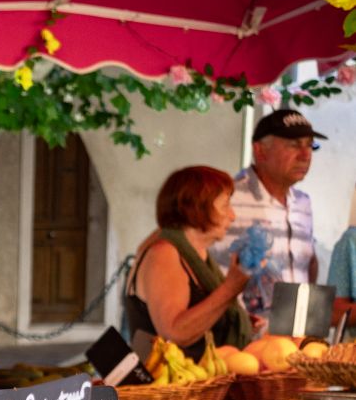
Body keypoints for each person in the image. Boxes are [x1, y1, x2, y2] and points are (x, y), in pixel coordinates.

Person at [125, 166, 252, 355]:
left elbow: (201, 312)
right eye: (225, 205)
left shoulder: (197, 253)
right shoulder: (164, 253)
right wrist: (230, 289)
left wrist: (230, 320)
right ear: (197, 207)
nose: (232, 216)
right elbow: (174, 332)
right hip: (170, 381)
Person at [211, 108, 322, 318]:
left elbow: (307, 266)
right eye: (294, 145)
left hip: (292, 342)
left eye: (310, 146)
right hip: (237, 340)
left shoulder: (303, 204)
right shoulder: (227, 197)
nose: (305, 155)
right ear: (260, 151)